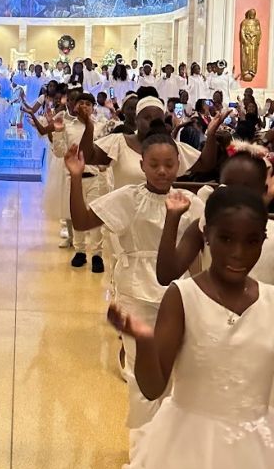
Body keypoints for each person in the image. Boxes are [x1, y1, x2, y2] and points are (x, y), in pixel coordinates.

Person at [109, 186, 274, 469]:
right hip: (188, 446)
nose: (238, 253)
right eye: (225, 239)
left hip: (257, 445)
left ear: (264, 238)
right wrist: (145, 340)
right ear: (206, 234)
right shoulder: (184, 296)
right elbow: (153, 387)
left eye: (252, 241)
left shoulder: (271, 301)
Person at [66, 131, 205, 442]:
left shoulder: (191, 203)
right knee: (139, 375)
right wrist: (76, 178)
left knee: (174, 374)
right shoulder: (128, 198)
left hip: (177, 296)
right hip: (135, 294)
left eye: (169, 164)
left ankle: (167, 446)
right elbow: (82, 221)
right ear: (142, 165)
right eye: (154, 164)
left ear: (178, 165)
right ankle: (141, 450)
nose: (162, 171)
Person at [157, 151, 274, 287]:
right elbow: (166, 275)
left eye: (246, 189)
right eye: (229, 187)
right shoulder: (205, 225)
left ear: (264, 191)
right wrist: (172, 217)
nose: (237, 196)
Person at [79, 96, 225, 190]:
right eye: (147, 117)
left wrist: (211, 134)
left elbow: (206, 163)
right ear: (137, 119)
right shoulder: (119, 142)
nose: (152, 121)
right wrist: (88, 127)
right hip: (124, 217)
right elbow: (88, 156)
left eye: (157, 118)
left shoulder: (171, 147)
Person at [50, 92, 107, 272]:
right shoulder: (68, 126)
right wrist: (58, 133)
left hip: (95, 177)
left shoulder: (100, 125)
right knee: (77, 215)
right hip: (74, 178)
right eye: (80, 103)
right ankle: (80, 250)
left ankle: (97, 254)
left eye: (87, 104)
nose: (84, 106)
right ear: (75, 106)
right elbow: (59, 152)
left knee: (95, 215)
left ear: (92, 107)